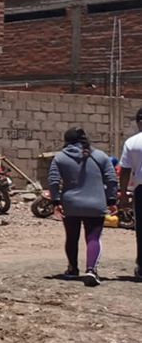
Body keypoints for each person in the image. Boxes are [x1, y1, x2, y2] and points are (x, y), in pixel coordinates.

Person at [49, 127, 119, 287]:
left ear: (66, 141)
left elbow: (53, 181)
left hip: (71, 204)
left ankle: (73, 269)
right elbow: (111, 179)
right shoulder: (100, 156)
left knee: (72, 237)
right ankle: (91, 270)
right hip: (96, 204)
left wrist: (56, 202)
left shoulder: (59, 158)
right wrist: (112, 200)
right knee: (93, 238)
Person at [117, 107, 142, 280]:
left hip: (141, 190)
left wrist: (124, 195)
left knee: (141, 230)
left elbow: (124, 170)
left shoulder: (132, 142)